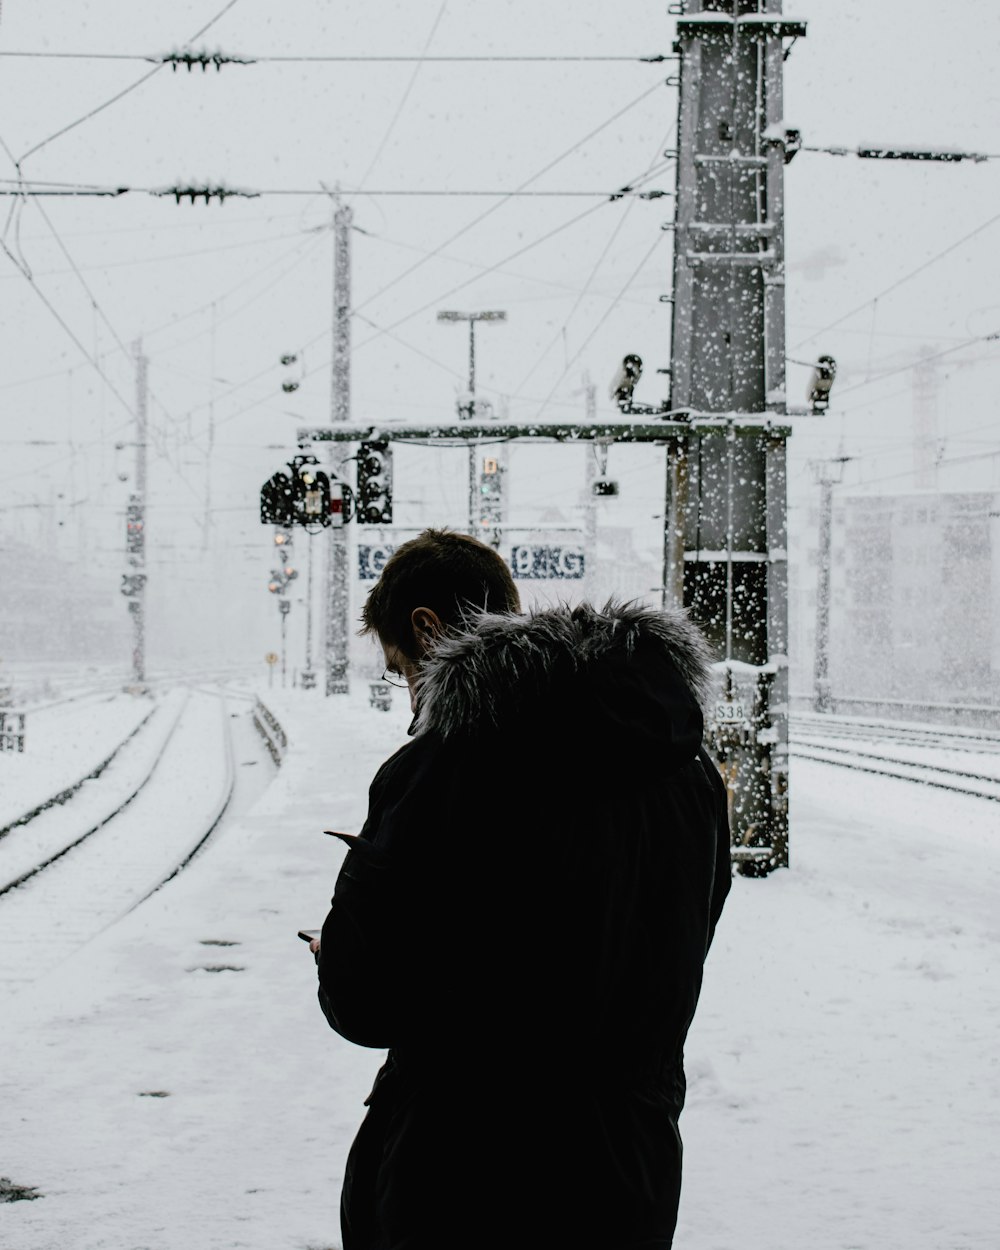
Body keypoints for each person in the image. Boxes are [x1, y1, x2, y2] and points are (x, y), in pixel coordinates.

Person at [309, 527, 732, 1250]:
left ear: (428, 629)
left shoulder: (442, 771)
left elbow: (364, 1002)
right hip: (629, 1167)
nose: (409, 702)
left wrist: (340, 952)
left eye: (398, 670)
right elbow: (669, 936)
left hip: (463, 1171)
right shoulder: (687, 775)